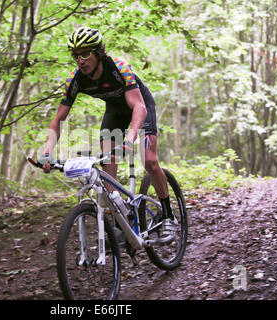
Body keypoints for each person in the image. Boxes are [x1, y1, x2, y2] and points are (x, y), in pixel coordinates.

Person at [39, 27, 177, 243]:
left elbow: (139, 107)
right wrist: (47, 151)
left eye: (85, 53)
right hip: (114, 113)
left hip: (140, 106)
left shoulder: (118, 67)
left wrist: (130, 140)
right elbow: (58, 119)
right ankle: (121, 218)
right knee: (107, 164)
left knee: (149, 160)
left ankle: (168, 215)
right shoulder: (75, 80)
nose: (80, 60)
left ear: (98, 52)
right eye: (76, 55)